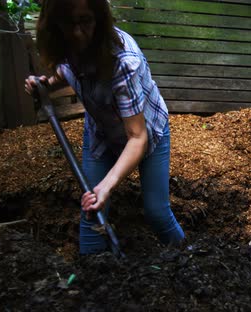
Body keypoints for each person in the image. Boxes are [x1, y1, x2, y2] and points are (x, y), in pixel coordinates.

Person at [24, 0, 185, 254]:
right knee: (92, 214)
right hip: (102, 135)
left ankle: (190, 261)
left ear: (99, 18)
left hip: (147, 133)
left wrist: (106, 186)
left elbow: (137, 137)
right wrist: (45, 85)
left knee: (157, 212)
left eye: (85, 21)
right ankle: (93, 283)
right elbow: (68, 72)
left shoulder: (122, 59)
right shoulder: (68, 45)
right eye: (69, 23)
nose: (77, 33)